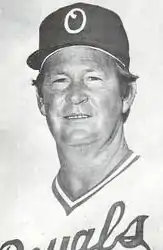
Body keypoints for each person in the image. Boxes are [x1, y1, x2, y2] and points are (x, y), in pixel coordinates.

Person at [1, 2, 163, 250]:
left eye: (93, 78)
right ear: (41, 100)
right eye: (60, 80)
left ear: (127, 95)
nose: (76, 95)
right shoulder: (12, 220)